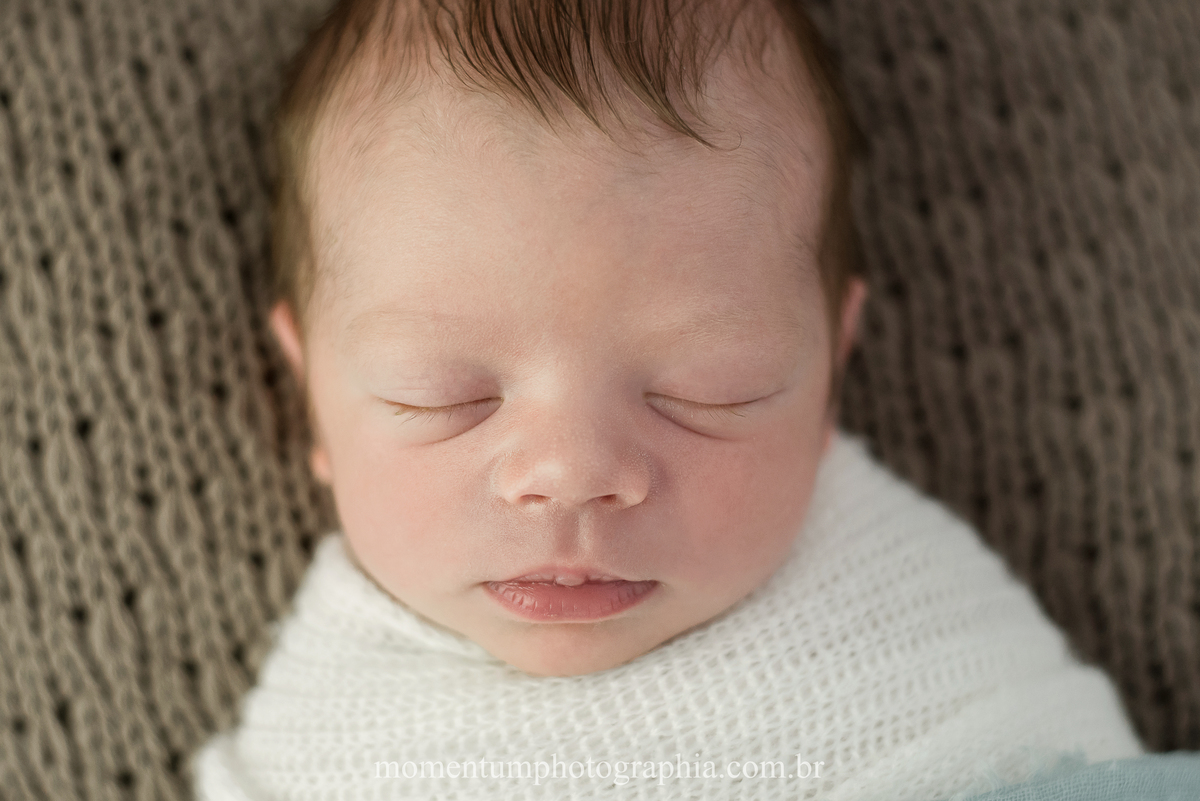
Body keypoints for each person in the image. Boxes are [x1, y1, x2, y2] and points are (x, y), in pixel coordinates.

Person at [192, 0, 1142, 797]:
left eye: (707, 390)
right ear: (313, 395)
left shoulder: (916, 622)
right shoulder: (326, 730)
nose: (572, 474)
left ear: (829, 376)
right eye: (442, 394)